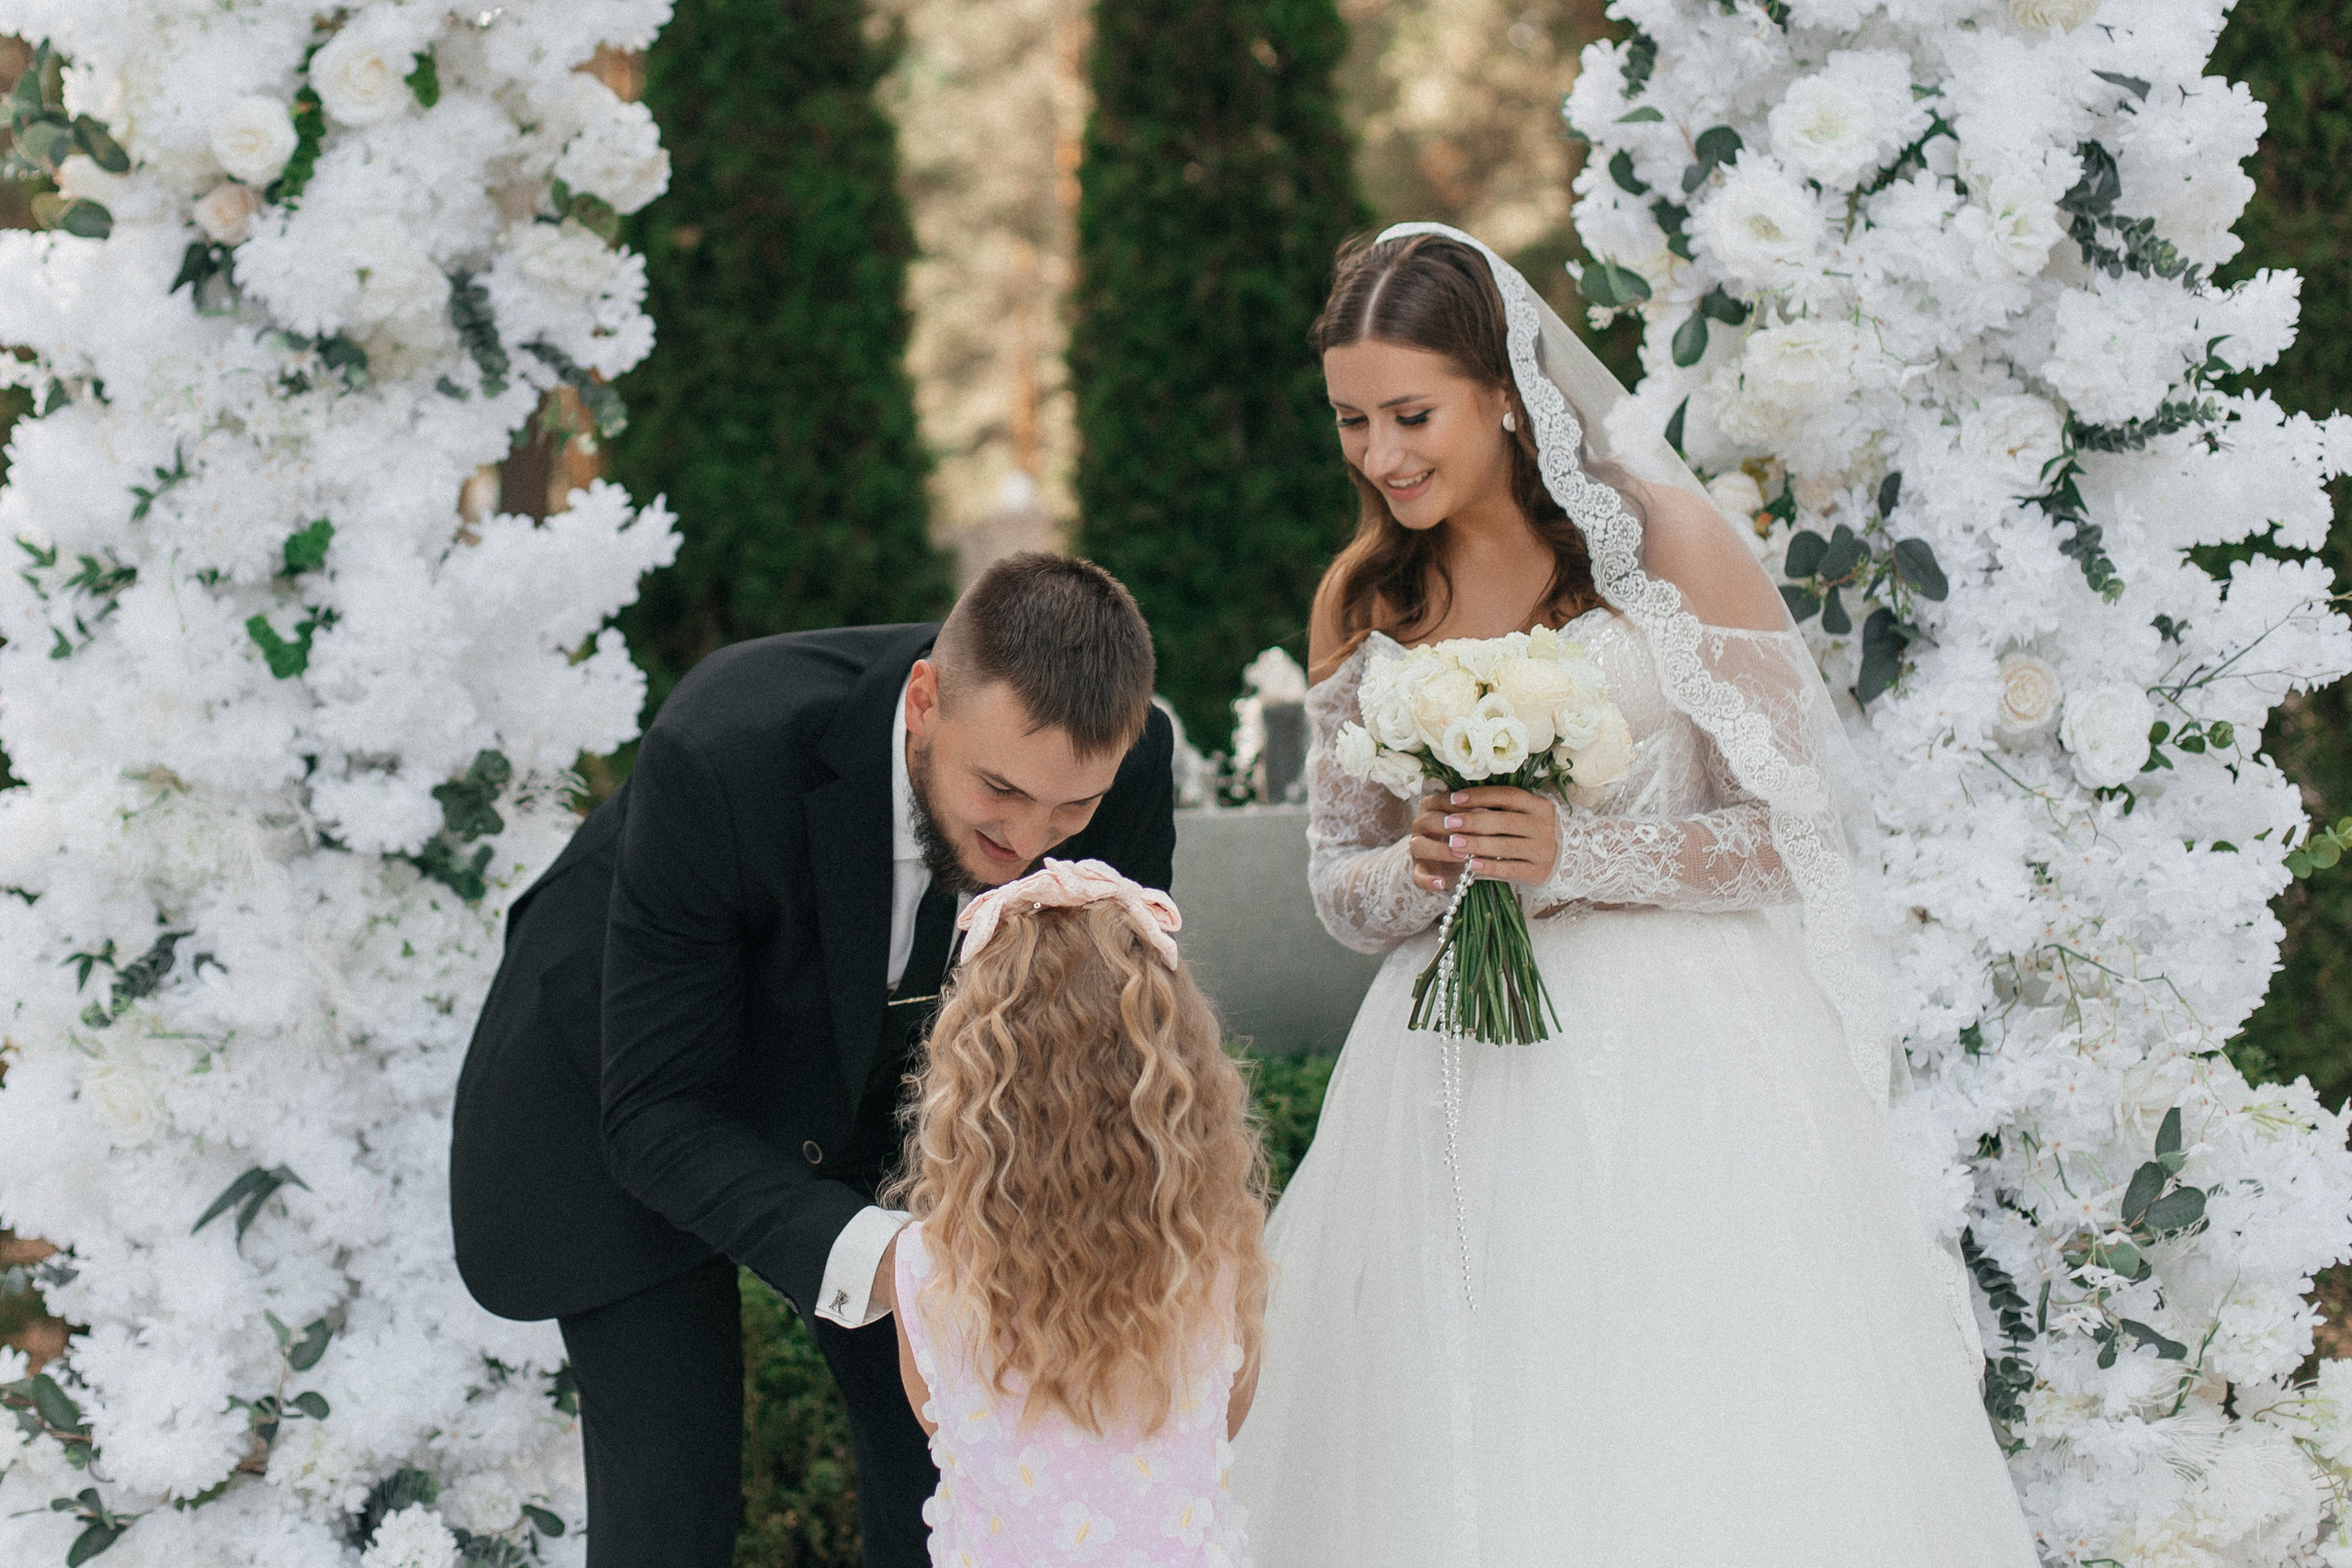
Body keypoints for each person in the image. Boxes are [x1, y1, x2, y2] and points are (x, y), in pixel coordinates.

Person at [1228, 225, 2041, 1564]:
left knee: (1689, 1411)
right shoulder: (1363, 597)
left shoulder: (1666, 543)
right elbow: (1339, 889)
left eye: (1411, 415)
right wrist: (1419, 865)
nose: (1380, 456)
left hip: (1689, 1056)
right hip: (1447, 1077)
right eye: (1351, 421)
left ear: (1504, 391)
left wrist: (1578, 856)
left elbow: (1794, 836)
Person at [448, 554, 1178, 1568]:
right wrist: (887, 1260)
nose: (1027, 837)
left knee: (958, 1471)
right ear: (924, 701)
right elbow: (653, 1112)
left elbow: (1086, 1053)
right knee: (670, 1504)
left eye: (1069, 811)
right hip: (634, 1081)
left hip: (894, 1104)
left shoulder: (1122, 769)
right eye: (999, 789)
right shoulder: (723, 746)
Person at [883, 859, 1267, 1568]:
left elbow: (939, 1421)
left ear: (972, 1079)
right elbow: (1228, 1415)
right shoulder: (1213, 1256)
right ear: (1179, 1075)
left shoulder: (925, 1267)